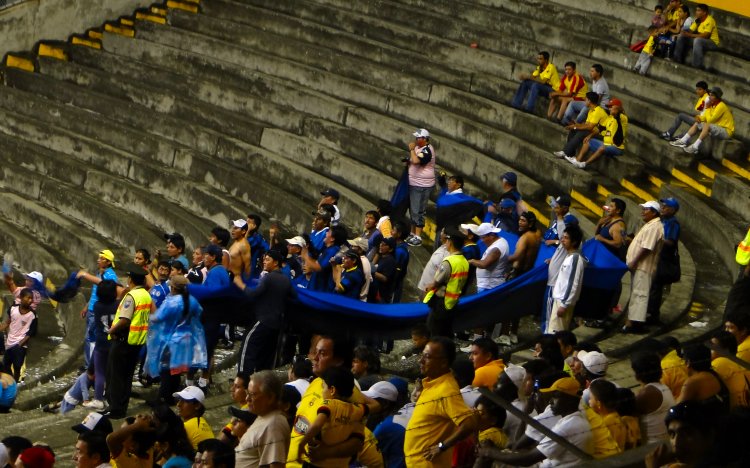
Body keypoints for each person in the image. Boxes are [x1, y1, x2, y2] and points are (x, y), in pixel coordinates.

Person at [479, 377, 593, 466]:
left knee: (487, 457)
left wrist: (488, 452)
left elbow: (527, 459)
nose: (551, 401)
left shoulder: (568, 425)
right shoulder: (575, 417)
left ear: (569, 401)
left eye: (556, 396)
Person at [288, 335, 363, 468]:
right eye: (315, 352)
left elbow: (357, 441)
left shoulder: (347, 393)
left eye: (322, 354)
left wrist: (326, 453)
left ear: (338, 360)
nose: (314, 358)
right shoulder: (316, 382)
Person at [404, 336, 477, 466]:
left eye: (427, 357)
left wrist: (442, 446)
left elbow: (469, 424)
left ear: (443, 362)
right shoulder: (432, 382)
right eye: (422, 355)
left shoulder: (447, 390)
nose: (421, 360)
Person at [296, 367, 379, 467]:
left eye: (323, 387)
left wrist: (301, 444)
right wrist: (353, 393)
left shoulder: (329, 405)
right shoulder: (357, 410)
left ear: (332, 390)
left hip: (317, 464)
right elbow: (376, 405)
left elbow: (317, 425)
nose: (322, 391)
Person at [145, 275, 207, 404]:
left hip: (171, 341)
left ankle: (164, 398)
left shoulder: (171, 302)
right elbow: (200, 312)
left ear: (172, 287)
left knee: (166, 370)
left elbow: (158, 318)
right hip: (187, 340)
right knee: (176, 371)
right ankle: (173, 396)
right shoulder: (192, 300)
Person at [233, 250, 296, 374]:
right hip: (276, 326)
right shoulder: (286, 280)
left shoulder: (269, 278)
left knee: (248, 349)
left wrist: (240, 284)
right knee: (266, 355)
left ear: (276, 262)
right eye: (264, 259)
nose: (264, 262)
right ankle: (262, 381)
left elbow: (253, 294)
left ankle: (243, 379)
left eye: (268, 260)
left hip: (263, 320)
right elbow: (293, 297)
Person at [104, 264, 154, 419]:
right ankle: (122, 407)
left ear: (130, 279)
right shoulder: (146, 295)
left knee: (116, 376)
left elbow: (124, 319)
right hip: (137, 342)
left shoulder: (131, 296)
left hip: (123, 340)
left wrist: (111, 330)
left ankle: (115, 409)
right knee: (127, 376)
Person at [187, 243, 230, 383]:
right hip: (213, 317)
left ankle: (196, 383)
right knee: (206, 350)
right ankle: (202, 382)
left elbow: (211, 294)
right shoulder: (219, 271)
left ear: (213, 257)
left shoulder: (217, 272)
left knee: (201, 350)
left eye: (206, 255)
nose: (204, 258)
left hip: (211, 318)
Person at [623, 201, 664, 333]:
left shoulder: (654, 227)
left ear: (654, 212)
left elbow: (647, 247)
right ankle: (631, 322)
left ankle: (636, 324)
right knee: (637, 294)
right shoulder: (651, 225)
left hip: (643, 266)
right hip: (640, 266)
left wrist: (634, 261)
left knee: (640, 295)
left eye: (646, 210)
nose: (643, 212)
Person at [236, 370, 290, 468]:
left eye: (253, 394)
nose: (247, 398)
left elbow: (276, 465)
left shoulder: (274, 425)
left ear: (270, 398)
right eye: (247, 393)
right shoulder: (263, 417)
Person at [77, 249, 119, 369]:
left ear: (108, 262)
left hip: (98, 312)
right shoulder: (100, 273)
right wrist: (86, 306)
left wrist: (85, 274)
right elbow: (96, 292)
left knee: (91, 338)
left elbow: (102, 285)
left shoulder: (111, 275)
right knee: (89, 337)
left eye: (101, 259)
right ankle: (90, 364)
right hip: (91, 309)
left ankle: (90, 366)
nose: (98, 260)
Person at [423, 229, 470, 337]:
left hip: (442, 302)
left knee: (434, 331)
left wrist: (428, 287)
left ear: (450, 242)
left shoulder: (448, 262)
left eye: (447, 241)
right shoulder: (464, 261)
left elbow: (436, 282)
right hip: (453, 302)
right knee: (446, 331)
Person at [670, 87, 734, 154]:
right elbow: (705, 117)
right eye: (710, 95)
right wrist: (699, 118)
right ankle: (683, 140)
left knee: (707, 124)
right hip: (718, 127)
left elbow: (710, 120)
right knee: (698, 123)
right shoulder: (713, 105)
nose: (709, 97)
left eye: (712, 95)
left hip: (726, 131)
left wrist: (707, 108)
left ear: (717, 97)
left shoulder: (721, 106)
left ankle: (695, 147)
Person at [648, 197, 681, 325]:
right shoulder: (662, 220)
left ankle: (653, 314)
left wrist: (657, 239)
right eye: (662, 206)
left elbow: (671, 242)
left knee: (656, 286)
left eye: (666, 207)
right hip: (657, 256)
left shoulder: (673, 223)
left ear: (673, 210)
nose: (662, 208)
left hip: (664, 259)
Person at [568, 98, 628, 169]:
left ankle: (584, 164)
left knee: (602, 148)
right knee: (587, 141)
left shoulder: (623, 118)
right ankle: (578, 160)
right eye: (609, 107)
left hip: (617, 147)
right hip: (606, 144)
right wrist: (590, 136)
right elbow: (600, 129)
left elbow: (617, 113)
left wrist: (617, 108)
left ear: (617, 108)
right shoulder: (610, 118)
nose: (609, 108)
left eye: (611, 106)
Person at [546, 226, 585, 334]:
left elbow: (573, 283)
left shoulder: (575, 259)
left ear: (574, 242)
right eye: (562, 237)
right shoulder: (569, 257)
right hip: (559, 300)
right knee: (554, 331)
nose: (562, 240)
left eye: (566, 238)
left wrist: (564, 304)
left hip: (562, 301)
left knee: (557, 333)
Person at [631, 352, 675, 445]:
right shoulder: (662, 387)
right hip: (665, 441)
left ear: (637, 374)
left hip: (653, 446)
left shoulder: (647, 394)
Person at [553, 92, 610, 160]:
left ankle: (565, 152)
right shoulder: (591, 111)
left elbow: (589, 127)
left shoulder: (598, 111)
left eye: (586, 99)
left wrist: (576, 126)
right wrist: (574, 126)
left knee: (582, 132)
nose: (584, 101)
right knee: (573, 130)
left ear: (589, 101)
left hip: (603, 135)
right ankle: (570, 154)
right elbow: (586, 125)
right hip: (594, 132)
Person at [405, 128, 436, 247]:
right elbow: (413, 160)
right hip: (414, 182)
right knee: (413, 209)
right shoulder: (418, 148)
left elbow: (417, 161)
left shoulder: (428, 150)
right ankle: (412, 233)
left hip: (422, 185)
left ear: (424, 139)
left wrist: (412, 150)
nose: (416, 140)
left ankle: (418, 236)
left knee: (418, 210)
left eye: (418, 138)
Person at [677, 344, 730, 411]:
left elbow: (677, 408)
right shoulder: (714, 374)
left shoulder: (693, 382)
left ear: (688, 362)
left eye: (683, 360)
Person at [0, 288, 36, 381]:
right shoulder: (13, 308)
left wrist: (19, 345)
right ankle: (10, 383)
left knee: (17, 367)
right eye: (28, 298)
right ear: (21, 297)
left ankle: (15, 384)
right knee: (5, 366)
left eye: (31, 298)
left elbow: (30, 333)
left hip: (20, 346)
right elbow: (8, 322)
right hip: (9, 343)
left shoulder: (32, 315)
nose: (30, 300)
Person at [709, 330, 750, 409]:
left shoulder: (720, 362)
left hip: (736, 416)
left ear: (726, 350)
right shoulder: (740, 363)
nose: (708, 352)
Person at [673, 3, 720, 68]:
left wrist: (690, 34)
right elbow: (690, 30)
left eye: (698, 10)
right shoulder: (697, 20)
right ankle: (677, 59)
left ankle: (696, 65)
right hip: (701, 40)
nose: (696, 12)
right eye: (696, 10)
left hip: (712, 43)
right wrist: (683, 32)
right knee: (682, 36)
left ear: (704, 12)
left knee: (697, 40)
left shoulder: (710, 20)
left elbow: (706, 35)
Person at [587, 379, 627, 451]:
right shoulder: (614, 415)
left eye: (590, 398)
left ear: (598, 403)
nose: (589, 401)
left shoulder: (606, 423)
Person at [507, 211, 542, 280]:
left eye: (523, 221)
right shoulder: (538, 234)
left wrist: (501, 260)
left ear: (530, 224)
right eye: (520, 219)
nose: (519, 222)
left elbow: (516, 256)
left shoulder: (525, 238)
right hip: (528, 272)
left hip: (517, 273)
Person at [371, 237, 398, 303]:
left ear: (391, 249)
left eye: (384, 245)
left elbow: (384, 278)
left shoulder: (390, 261)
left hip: (382, 296)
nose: (381, 245)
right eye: (381, 243)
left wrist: (371, 271)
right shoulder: (382, 256)